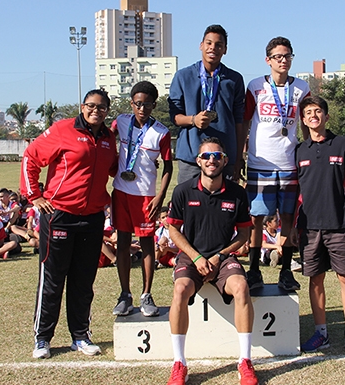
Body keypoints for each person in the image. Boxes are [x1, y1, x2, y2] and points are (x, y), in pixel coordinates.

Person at [20, 89, 118, 360]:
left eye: (101, 107)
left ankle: (80, 335)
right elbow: (30, 158)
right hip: (59, 214)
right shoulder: (62, 130)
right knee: (53, 278)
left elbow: (113, 169)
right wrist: (35, 197)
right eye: (91, 106)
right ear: (82, 106)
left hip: (92, 217)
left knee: (84, 280)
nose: (95, 111)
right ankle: (42, 338)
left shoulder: (108, 138)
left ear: (107, 111)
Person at [165, 137, 258, 385]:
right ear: (198, 161)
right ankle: (179, 363)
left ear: (225, 161)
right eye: (206, 156)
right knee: (180, 289)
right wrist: (196, 257)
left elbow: (245, 233)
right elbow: (173, 229)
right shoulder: (183, 190)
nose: (211, 160)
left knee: (240, 286)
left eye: (217, 156)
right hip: (191, 255)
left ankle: (245, 361)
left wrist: (219, 256)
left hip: (223, 257)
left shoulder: (237, 193)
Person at [295, 96, 345, 355]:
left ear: (326, 116)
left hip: (340, 224)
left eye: (318, 111)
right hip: (309, 227)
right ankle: (321, 333)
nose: (313, 115)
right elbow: (295, 192)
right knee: (315, 280)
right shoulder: (299, 150)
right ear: (303, 120)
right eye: (308, 112)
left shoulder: (342, 144)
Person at [243, 36, 309, 291]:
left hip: (289, 164)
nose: (283, 61)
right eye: (278, 57)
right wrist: (241, 154)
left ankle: (285, 270)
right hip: (261, 163)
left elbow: (305, 124)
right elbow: (245, 122)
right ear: (268, 60)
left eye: (288, 56)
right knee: (256, 219)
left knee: (288, 218)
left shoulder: (301, 87)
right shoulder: (255, 86)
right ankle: (254, 270)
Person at [110, 81, 173, 318]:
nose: (142, 108)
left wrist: (160, 196)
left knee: (147, 244)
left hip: (146, 196)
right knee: (123, 243)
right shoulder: (121, 121)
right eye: (138, 103)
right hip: (121, 191)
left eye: (147, 104)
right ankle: (125, 294)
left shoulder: (161, 132)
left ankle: (146, 294)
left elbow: (168, 166)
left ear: (154, 105)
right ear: (131, 103)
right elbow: (107, 139)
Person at [168, 24, 246, 183]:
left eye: (219, 45)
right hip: (192, 157)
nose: (213, 48)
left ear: (225, 49)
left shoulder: (234, 79)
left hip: (225, 158)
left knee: (225, 205)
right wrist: (193, 120)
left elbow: (240, 121)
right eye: (209, 43)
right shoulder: (183, 76)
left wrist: (238, 158)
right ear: (201, 45)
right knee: (189, 204)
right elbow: (174, 117)